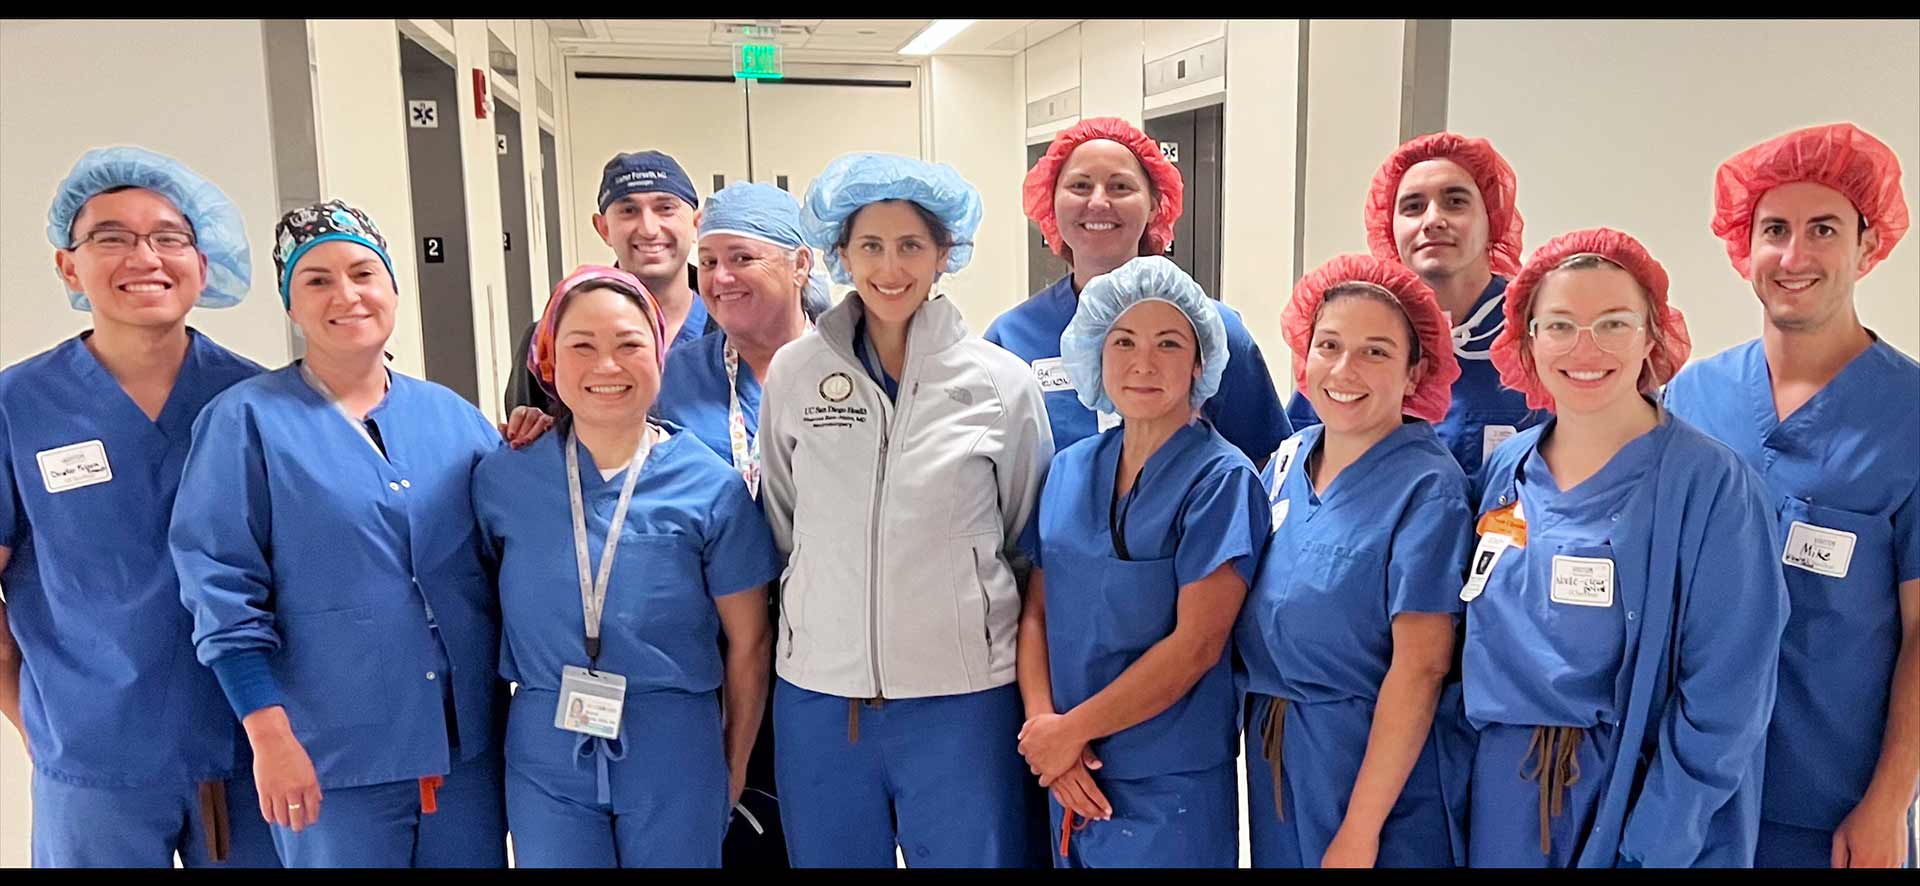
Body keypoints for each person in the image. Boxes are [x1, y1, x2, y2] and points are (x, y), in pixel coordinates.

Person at [171, 200, 510, 867]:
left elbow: (506, 552)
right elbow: (220, 588)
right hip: (329, 758)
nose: (346, 295)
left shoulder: (453, 418)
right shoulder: (245, 423)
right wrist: (270, 738)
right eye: (317, 280)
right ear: (290, 305)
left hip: (465, 750)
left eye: (363, 273)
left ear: (392, 289)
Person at [758, 152, 1053, 867]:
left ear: (946, 252)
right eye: (871, 246)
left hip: (964, 699)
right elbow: (785, 519)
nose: (890, 268)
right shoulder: (797, 374)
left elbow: (1021, 534)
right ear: (840, 253)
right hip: (823, 697)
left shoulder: (1001, 384)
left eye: (911, 246)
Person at [1465, 227, 1788, 867]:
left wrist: (1656, 843)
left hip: (1634, 800)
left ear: (1651, 335)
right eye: (1559, 325)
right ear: (1527, 339)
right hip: (1501, 802)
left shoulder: (1711, 485)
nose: (1585, 348)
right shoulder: (1506, 471)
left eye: (1613, 324)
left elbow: (1727, 697)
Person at [0, 146, 280, 868]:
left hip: (250, 748)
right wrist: (36, 723)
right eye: (111, 237)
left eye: (169, 237)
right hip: (94, 762)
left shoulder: (255, 401)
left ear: (204, 259)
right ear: (69, 265)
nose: (144, 257)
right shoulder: (18, 407)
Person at [1665, 122, 1917, 869]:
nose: (1794, 256)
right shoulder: (1693, 398)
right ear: (1745, 246)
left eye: (1823, 229)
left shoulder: (1908, 416)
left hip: (1830, 810)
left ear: (1869, 246)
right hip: (1689, 797)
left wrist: (1889, 801)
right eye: (1773, 229)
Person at [472, 265, 778, 867]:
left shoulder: (710, 487)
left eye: (629, 344)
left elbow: (750, 642)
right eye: (581, 346)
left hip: (674, 739)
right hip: (546, 737)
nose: (607, 366)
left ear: (660, 356)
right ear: (549, 363)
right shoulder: (503, 477)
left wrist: (734, 759)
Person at [1016, 255, 1265, 866]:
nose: (1143, 363)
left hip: (1168, 779)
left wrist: (1072, 733)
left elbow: (1196, 647)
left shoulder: (1221, 480)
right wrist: (1046, 729)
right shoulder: (1071, 468)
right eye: (1122, 340)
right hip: (1067, 771)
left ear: (1201, 361)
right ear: (1095, 354)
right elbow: (1037, 614)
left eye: (1169, 343)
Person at [1236, 254, 1474, 868]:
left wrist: (1362, 827)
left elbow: (1420, 669)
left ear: (1414, 369)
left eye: (1375, 352)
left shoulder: (1428, 487)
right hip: (1278, 754)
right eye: (1329, 345)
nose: (1344, 369)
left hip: (1369, 761)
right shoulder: (1287, 461)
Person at [986, 117, 1289, 464]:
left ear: (1154, 204)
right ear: (1050, 203)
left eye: (1120, 187)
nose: (1098, 202)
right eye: (1080, 186)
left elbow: (1266, 462)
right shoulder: (1010, 338)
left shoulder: (1214, 330)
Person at [1289, 133, 1543, 477]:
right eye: (1412, 207)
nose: (1433, 220)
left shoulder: (1539, 336)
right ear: (1389, 227)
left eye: (1455, 202)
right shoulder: (1349, 337)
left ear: (1492, 219)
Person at [505, 150, 715, 415]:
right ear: (603, 228)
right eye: (629, 211)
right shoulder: (552, 339)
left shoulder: (732, 334)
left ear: (697, 223)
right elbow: (532, 440)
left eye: (665, 209)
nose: (649, 229)